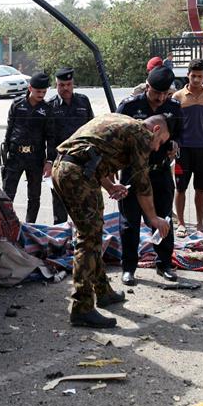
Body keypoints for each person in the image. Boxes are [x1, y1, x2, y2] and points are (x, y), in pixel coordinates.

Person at [51, 114, 171, 328]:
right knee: (88, 239)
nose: (156, 148)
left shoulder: (119, 121)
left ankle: (103, 291)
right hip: (77, 175)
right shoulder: (141, 134)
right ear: (156, 130)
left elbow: (89, 154)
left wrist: (109, 186)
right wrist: (153, 218)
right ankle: (82, 307)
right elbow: (143, 182)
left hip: (66, 169)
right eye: (160, 142)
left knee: (93, 233)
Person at [116, 65, 182, 286]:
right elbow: (116, 137)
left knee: (163, 220)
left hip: (160, 172)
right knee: (129, 223)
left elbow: (181, 135)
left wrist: (174, 145)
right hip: (133, 173)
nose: (161, 99)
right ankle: (129, 268)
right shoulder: (129, 106)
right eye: (156, 93)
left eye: (165, 94)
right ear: (147, 86)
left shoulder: (174, 107)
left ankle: (164, 264)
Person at [173, 59, 203, 237]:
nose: (197, 80)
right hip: (183, 150)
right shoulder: (177, 97)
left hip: (202, 149)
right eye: (193, 76)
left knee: (201, 188)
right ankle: (182, 224)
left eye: (200, 76)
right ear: (188, 75)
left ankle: (200, 224)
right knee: (181, 188)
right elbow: (171, 125)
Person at [2, 72, 53, 223]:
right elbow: (9, 128)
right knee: (7, 194)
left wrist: (49, 160)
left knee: (34, 196)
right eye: (38, 91)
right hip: (15, 156)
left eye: (44, 92)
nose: (41, 95)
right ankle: (6, 224)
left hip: (35, 158)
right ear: (30, 88)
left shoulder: (47, 109)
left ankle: (30, 225)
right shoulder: (17, 104)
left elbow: (50, 137)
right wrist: (6, 151)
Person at [46, 67, 95, 224]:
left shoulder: (83, 101)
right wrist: (47, 161)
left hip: (83, 160)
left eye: (68, 84)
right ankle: (60, 241)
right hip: (59, 161)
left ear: (73, 83)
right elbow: (47, 137)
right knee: (60, 204)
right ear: (56, 85)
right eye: (62, 85)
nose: (65, 88)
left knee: (82, 203)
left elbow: (92, 128)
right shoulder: (50, 106)